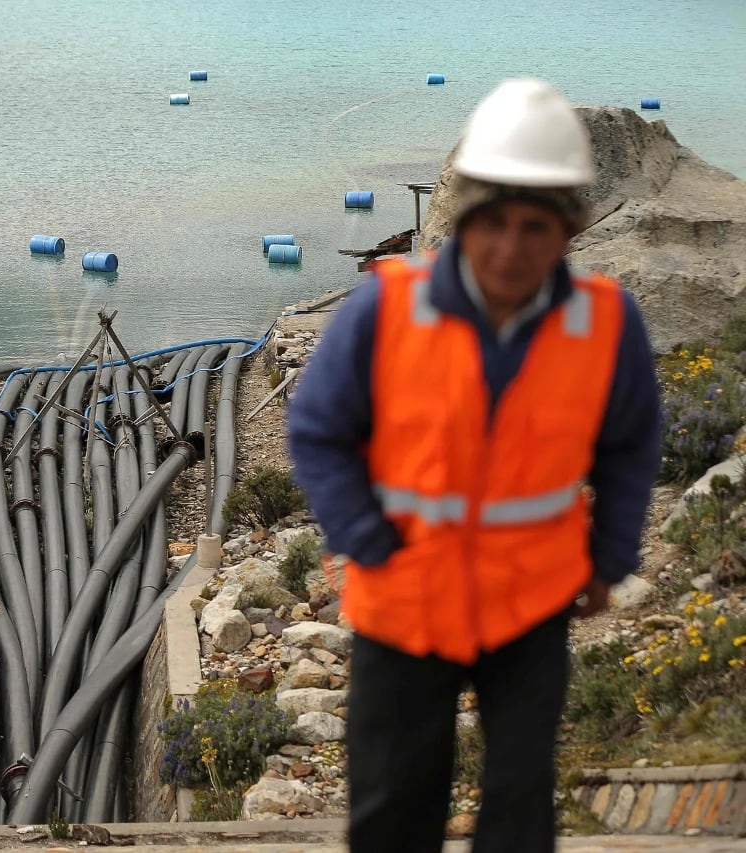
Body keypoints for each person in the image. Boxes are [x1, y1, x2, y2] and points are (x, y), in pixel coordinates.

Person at [285, 78, 661, 853]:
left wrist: (610, 557)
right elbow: (318, 428)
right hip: (404, 599)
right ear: (464, 218)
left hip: (531, 603)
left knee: (520, 813)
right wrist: (364, 532)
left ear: (571, 228)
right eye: (496, 223)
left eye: (537, 226)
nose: (513, 248)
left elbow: (630, 446)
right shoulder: (384, 309)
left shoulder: (604, 323)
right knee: (394, 810)